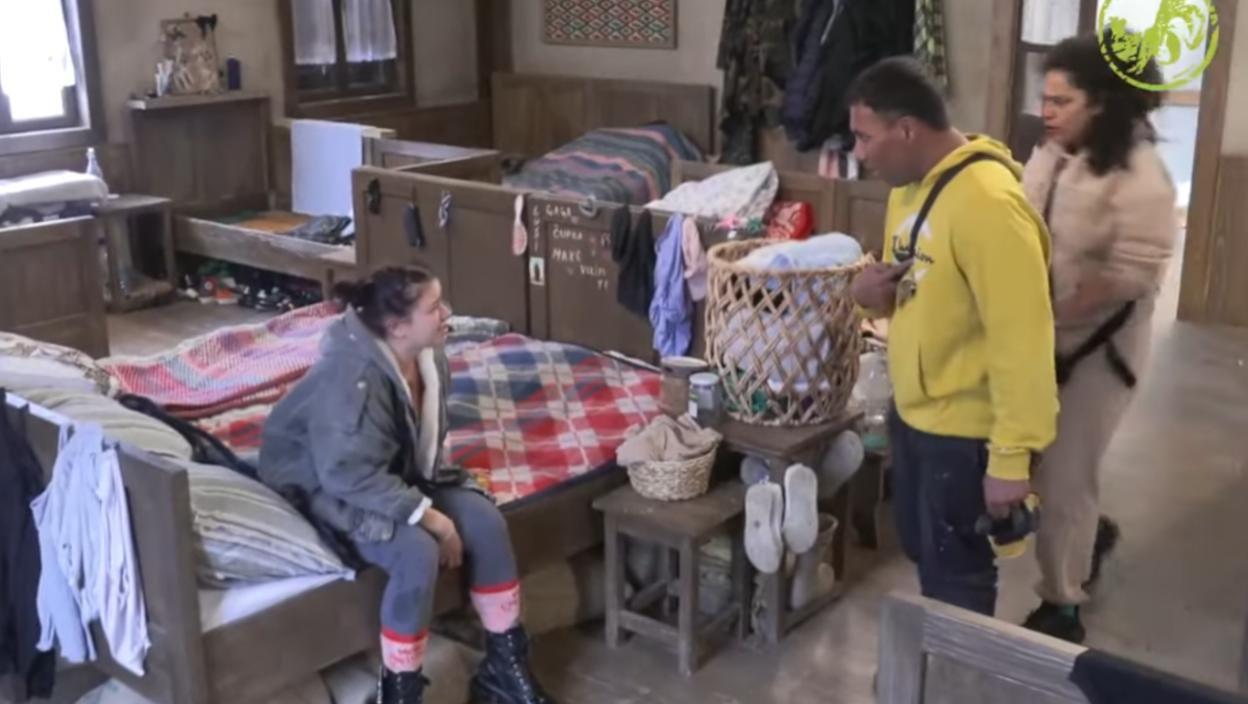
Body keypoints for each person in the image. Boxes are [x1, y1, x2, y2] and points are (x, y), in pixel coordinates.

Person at [259, 266, 554, 704]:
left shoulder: (426, 353)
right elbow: (347, 475)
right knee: (417, 552)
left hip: (386, 470)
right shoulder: (353, 380)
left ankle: (503, 667)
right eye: (434, 308)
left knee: (486, 521)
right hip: (321, 482)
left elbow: (411, 448)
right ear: (398, 326)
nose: (447, 313)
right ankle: (399, 692)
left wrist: (434, 507)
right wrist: (434, 520)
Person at [848, 57, 1059, 616]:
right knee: (925, 550)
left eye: (865, 137)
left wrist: (1010, 458)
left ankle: (954, 666)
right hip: (915, 415)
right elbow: (910, 284)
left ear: (907, 130)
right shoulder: (906, 188)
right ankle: (938, 655)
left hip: (964, 436)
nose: (859, 153)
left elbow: (1024, 342)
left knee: (958, 576)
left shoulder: (990, 205)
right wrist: (868, 293)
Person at [1020, 32, 1176, 643]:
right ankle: (1091, 535)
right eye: (1045, 98)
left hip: (1096, 356)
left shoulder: (1142, 178)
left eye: (1061, 101)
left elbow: (1129, 277)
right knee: (1035, 466)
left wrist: (1051, 314)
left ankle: (1062, 603)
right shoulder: (1054, 153)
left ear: (1103, 102)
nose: (1047, 111)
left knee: (1063, 480)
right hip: (1039, 341)